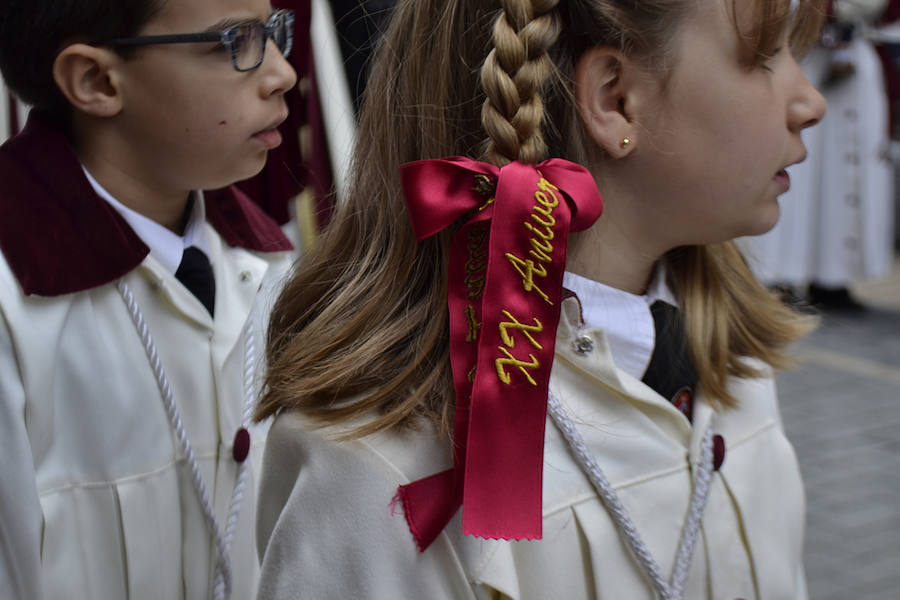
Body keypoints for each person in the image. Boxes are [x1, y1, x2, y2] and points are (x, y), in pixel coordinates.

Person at [255, 0, 826, 597]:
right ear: (615, 98)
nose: (810, 103)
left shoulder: (732, 363)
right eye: (764, 58)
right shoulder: (379, 470)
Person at [0, 0, 296, 598]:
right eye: (234, 41)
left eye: (272, 31)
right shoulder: (14, 303)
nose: (283, 73)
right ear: (97, 81)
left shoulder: (273, 268)